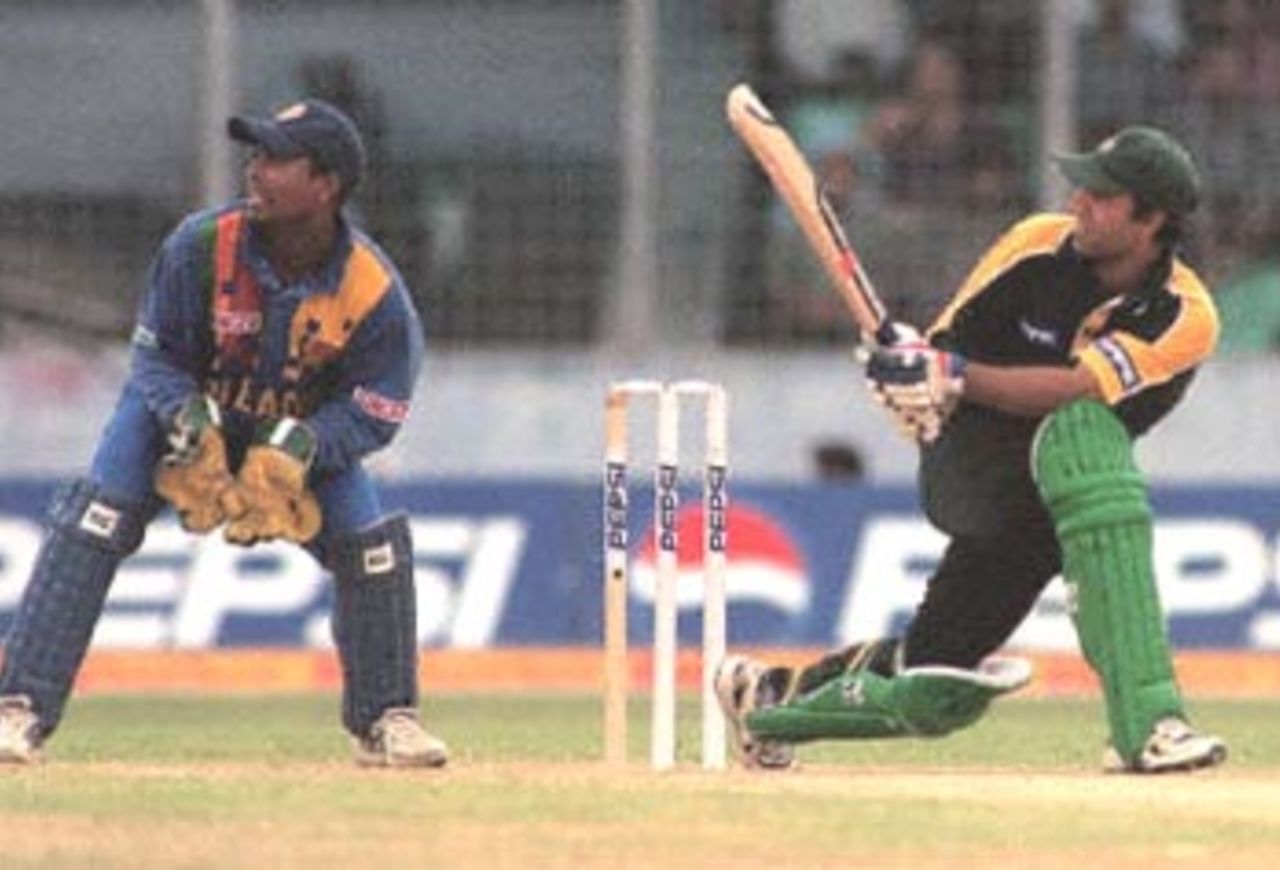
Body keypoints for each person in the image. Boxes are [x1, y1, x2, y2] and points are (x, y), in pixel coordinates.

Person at [716, 126, 1229, 775]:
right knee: (1086, 438)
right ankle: (1152, 725)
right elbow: (946, 342)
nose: (1078, 204)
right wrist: (914, 376)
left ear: (1152, 220)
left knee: (932, 677)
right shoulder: (1035, 243)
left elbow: (1075, 387)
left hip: (1064, 493)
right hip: (984, 464)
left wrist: (951, 375)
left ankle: (770, 700)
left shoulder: (1185, 315)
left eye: (1102, 197)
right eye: (1081, 188)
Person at [0, 99, 448, 769]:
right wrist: (188, 420)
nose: (254, 170)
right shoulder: (202, 245)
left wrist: (300, 447)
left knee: (373, 549)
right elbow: (155, 357)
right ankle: (19, 710)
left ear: (325, 185)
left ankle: (388, 720)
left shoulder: (372, 291)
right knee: (94, 521)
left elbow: (376, 409)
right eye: (254, 155)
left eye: (276, 160)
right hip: (177, 422)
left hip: (295, 438)